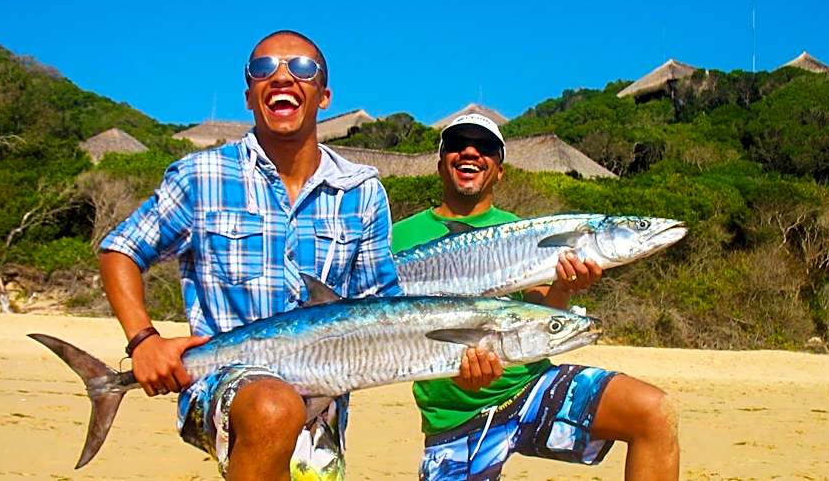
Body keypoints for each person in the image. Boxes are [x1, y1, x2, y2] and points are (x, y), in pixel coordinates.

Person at [99, 30, 400, 480]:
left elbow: (383, 304)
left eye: (301, 68)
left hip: (322, 401)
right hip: (222, 383)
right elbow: (120, 250)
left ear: (324, 95)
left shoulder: (362, 192)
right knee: (272, 406)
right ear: (248, 96)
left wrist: (463, 360)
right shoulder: (201, 177)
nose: (282, 77)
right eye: (264, 69)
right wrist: (143, 340)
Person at [392, 114, 680, 481]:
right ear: (440, 163)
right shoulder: (396, 239)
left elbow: (544, 313)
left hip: (530, 387)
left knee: (653, 412)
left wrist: (564, 287)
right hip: (455, 414)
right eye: (457, 144)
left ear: (499, 170)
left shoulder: (519, 229)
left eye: (485, 147)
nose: (470, 151)